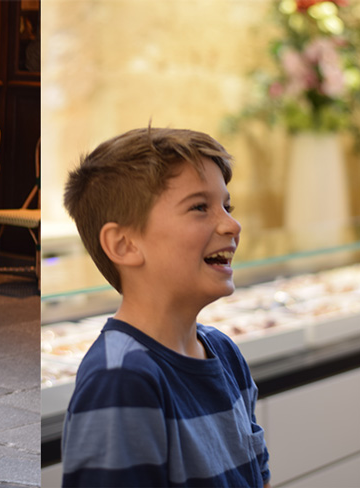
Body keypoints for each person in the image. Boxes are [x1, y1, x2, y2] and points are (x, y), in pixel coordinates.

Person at [61, 127, 271, 487]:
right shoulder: (121, 380)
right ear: (124, 244)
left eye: (227, 205)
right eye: (200, 207)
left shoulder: (224, 353)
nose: (233, 224)